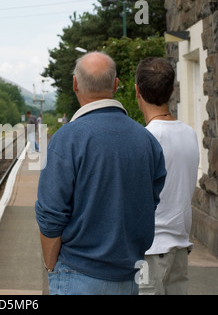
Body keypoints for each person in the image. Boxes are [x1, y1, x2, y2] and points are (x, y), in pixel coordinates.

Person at [35, 51, 167, 295]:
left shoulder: (66, 139)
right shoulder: (147, 141)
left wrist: (51, 267)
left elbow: (51, 214)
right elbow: (150, 202)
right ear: (115, 85)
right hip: (129, 276)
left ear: (75, 83)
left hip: (76, 274)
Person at [135, 57, 200, 295]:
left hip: (150, 252)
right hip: (180, 248)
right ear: (172, 90)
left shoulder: (144, 139)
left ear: (137, 91)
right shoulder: (190, 134)